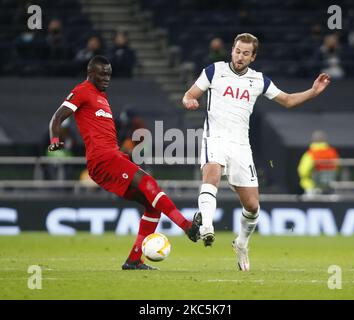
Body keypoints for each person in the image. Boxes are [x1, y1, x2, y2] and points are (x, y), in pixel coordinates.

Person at [182, 33, 331, 271]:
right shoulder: (213, 71)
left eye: (245, 53)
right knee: (211, 173)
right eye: (237, 51)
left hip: (241, 146)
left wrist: (312, 92)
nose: (240, 57)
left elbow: (289, 100)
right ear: (231, 50)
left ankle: (241, 243)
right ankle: (206, 226)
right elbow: (189, 95)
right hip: (216, 138)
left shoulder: (259, 80)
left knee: (252, 207)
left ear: (253, 57)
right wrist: (189, 101)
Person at [48, 55, 200, 270]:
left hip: (111, 158)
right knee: (150, 184)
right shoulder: (82, 91)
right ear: (90, 73)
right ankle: (186, 226)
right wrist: (55, 139)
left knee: (152, 205)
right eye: (102, 74)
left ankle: (134, 260)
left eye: (109, 74)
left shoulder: (102, 96)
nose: (106, 78)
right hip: (104, 158)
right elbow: (57, 117)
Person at [298, 130, 339, 195]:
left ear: (313, 140)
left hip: (313, 187)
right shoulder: (333, 153)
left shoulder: (311, 154)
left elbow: (303, 172)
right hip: (329, 186)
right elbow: (337, 168)